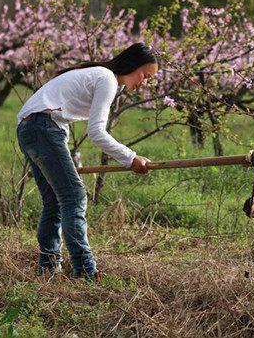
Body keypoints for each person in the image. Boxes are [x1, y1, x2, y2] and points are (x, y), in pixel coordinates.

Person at [16, 42, 158, 280]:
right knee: (74, 196)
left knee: (54, 202)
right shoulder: (107, 79)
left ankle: (48, 269)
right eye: (145, 75)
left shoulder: (101, 76)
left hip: (28, 129)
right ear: (133, 65)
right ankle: (85, 270)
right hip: (43, 128)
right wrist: (131, 158)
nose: (145, 82)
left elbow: (59, 114)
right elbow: (96, 132)